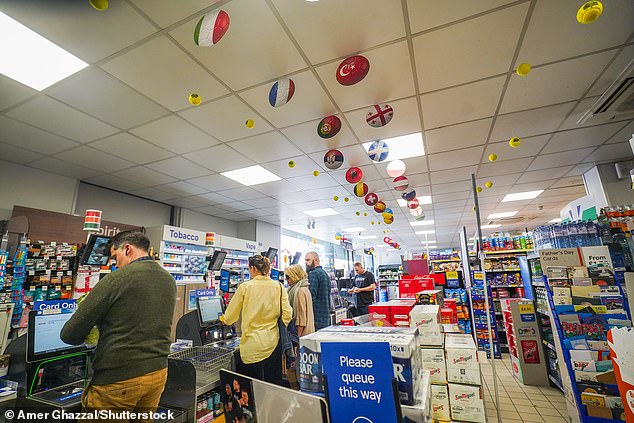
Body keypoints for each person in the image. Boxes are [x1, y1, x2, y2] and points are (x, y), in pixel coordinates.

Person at [61, 231, 176, 422]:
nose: (115, 264)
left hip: (118, 381)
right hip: (157, 374)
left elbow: (70, 334)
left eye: (115, 257)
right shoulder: (168, 280)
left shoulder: (117, 279)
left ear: (128, 249)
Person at [221, 255, 292, 385]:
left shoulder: (245, 287)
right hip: (273, 344)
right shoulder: (279, 287)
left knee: (251, 387)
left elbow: (230, 316)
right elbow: (288, 314)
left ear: (253, 268)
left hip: (251, 345)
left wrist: (224, 319)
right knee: (272, 385)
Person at [285, 265, 315, 339]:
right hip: (308, 333)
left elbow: (301, 320)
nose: (286, 279)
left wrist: (296, 339)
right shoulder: (305, 288)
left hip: (302, 335)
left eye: (288, 277)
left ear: (295, 276)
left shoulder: (299, 292)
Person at [305, 251, 331, 330]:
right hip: (325, 316)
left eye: (308, 260)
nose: (306, 263)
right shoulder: (325, 274)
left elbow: (311, 296)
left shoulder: (313, 274)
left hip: (316, 317)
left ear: (315, 260)